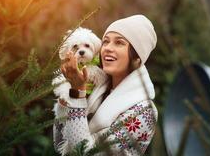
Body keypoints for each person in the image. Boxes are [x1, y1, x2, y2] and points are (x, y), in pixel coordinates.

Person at [53, 14, 158, 155]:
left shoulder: (144, 111)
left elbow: (84, 152)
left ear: (138, 58)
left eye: (119, 42)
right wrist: (66, 100)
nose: (107, 48)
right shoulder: (97, 86)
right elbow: (59, 143)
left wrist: (77, 93)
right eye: (106, 41)